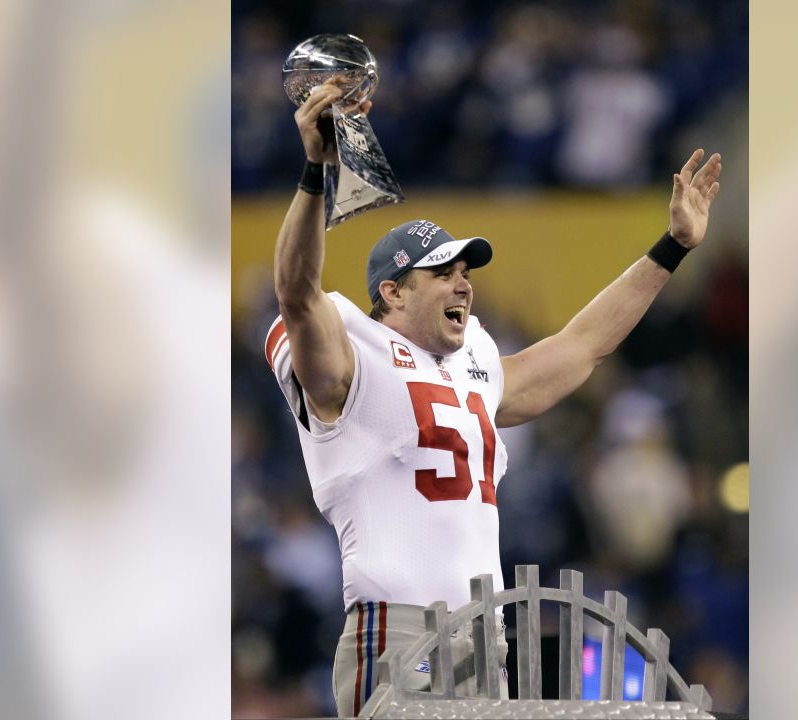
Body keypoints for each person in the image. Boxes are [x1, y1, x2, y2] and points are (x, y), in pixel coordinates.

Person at [265, 83, 722, 717]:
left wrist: (670, 249)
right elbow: (296, 291)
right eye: (442, 271)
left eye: (467, 272)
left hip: (488, 640)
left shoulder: (473, 366)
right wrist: (317, 172)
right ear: (392, 293)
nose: (463, 283)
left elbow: (582, 346)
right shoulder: (353, 359)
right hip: (401, 632)